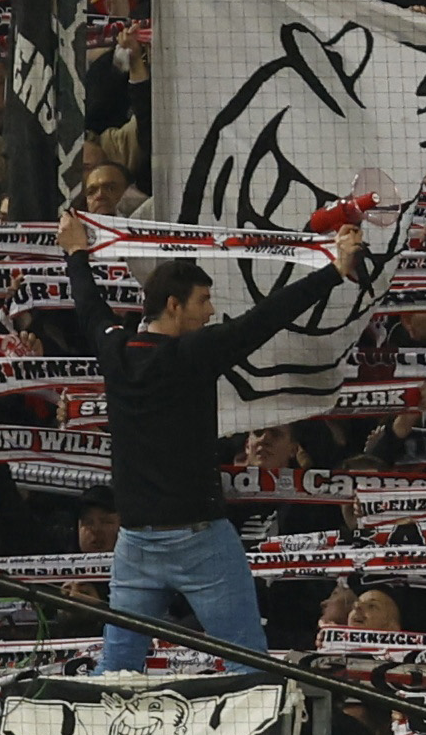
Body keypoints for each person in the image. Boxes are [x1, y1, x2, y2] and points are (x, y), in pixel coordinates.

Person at [63, 207, 368, 669]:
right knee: (249, 663)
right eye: (203, 300)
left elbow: (89, 308)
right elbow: (267, 317)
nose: (210, 311)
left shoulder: (115, 349)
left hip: (136, 543)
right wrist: (333, 271)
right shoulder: (192, 354)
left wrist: (76, 253)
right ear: (174, 305)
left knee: (117, 666)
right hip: (199, 542)